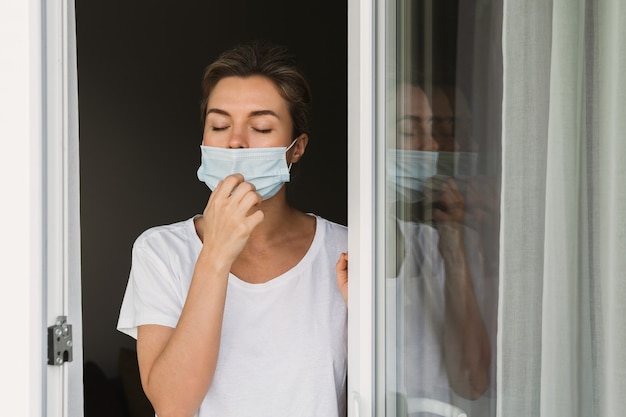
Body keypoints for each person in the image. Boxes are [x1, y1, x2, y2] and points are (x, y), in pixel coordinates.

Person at [117, 41, 348, 417]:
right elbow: (173, 405)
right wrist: (215, 254)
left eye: (260, 126)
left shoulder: (346, 251)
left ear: (297, 147)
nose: (236, 141)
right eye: (220, 125)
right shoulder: (160, 251)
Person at [336, 82, 491, 415]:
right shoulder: (342, 243)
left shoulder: (458, 242)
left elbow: (472, 380)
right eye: (409, 131)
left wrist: (453, 244)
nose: (433, 145)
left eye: (435, 130)